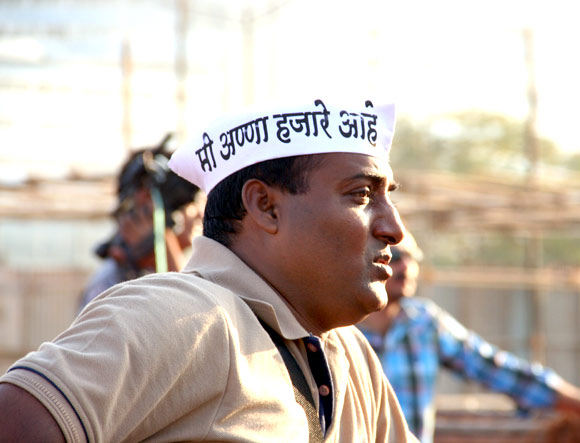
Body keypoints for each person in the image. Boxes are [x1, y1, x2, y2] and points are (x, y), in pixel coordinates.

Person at [0, 99, 419, 442]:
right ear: (265, 206)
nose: (394, 228)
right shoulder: (182, 316)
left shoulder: (350, 353)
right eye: (361, 195)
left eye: (389, 198)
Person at [357, 231, 580, 442]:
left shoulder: (423, 323)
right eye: (394, 256)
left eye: (412, 257)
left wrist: (572, 402)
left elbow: (494, 369)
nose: (406, 266)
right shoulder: (340, 331)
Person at [79, 134, 205, 310]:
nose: (200, 213)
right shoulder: (110, 287)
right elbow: (193, 316)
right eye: (193, 202)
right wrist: (162, 241)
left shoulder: (188, 268)